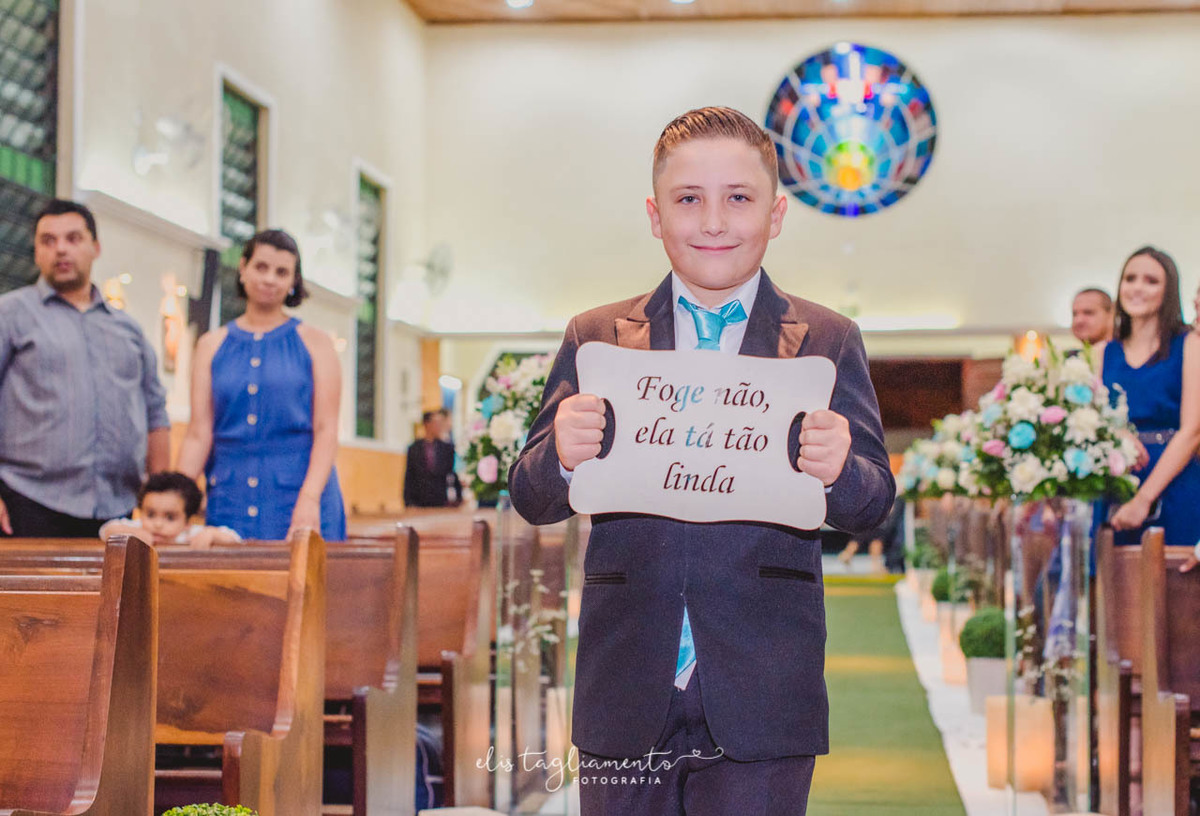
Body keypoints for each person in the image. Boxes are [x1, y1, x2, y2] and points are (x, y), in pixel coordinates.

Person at [508, 107, 895, 816]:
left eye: (738, 198)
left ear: (776, 214)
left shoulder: (827, 339)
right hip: (625, 676)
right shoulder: (598, 337)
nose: (713, 221)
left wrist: (841, 469)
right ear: (656, 216)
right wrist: (559, 457)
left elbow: (873, 502)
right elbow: (533, 497)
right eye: (689, 199)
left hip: (766, 680)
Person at [0, 199, 169, 537]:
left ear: (95, 247)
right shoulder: (10, 314)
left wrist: (160, 497)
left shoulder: (128, 329)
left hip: (117, 508)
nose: (60, 249)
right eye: (48, 241)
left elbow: (155, 414)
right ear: (36, 252)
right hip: (28, 503)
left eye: (73, 238)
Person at [177, 229, 346, 541]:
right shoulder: (211, 345)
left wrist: (309, 499)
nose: (270, 279)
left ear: (294, 280)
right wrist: (175, 501)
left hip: (299, 494)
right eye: (261, 267)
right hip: (230, 495)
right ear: (243, 268)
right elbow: (200, 433)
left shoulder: (316, 343)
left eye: (282, 272)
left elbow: (326, 429)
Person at [1101, 246, 1200, 548]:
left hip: (1172, 479)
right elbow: (1091, 419)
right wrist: (1115, 434)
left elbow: (1193, 430)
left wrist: (1145, 499)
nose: (1137, 288)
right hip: (1117, 478)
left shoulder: (1190, 344)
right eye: (1130, 278)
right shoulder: (1104, 353)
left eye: (1151, 281)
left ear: (1168, 290)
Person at [100, 471, 242, 548]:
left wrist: (211, 534)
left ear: (188, 521)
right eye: (150, 514)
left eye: (170, 517)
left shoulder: (190, 535)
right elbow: (106, 530)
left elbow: (235, 539)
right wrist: (132, 533)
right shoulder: (138, 530)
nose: (158, 524)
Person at [403, 410, 462, 508]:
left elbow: (452, 474)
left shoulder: (447, 448)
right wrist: (408, 502)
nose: (439, 427)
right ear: (427, 424)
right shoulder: (414, 448)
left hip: (441, 501)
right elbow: (409, 476)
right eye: (436, 423)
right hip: (419, 501)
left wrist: (458, 498)